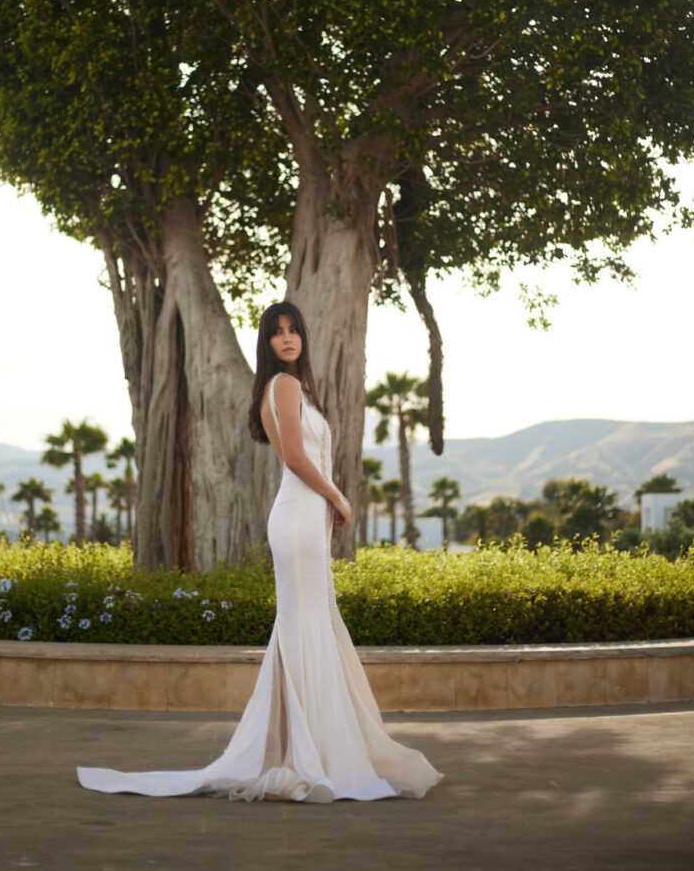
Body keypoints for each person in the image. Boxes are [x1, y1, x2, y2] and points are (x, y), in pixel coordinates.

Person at [77, 301, 443, 802]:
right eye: (277, 332)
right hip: (296, 517)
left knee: (303, 626)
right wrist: (337, 495)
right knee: (305, 626)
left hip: (302, 518)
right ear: (266, 343)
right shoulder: (284, 386)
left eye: (294, 330)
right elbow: (294, 458)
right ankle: (307, 755)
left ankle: (301, 748)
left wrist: (327, 504)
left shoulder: (292, 387)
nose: (288, 338)